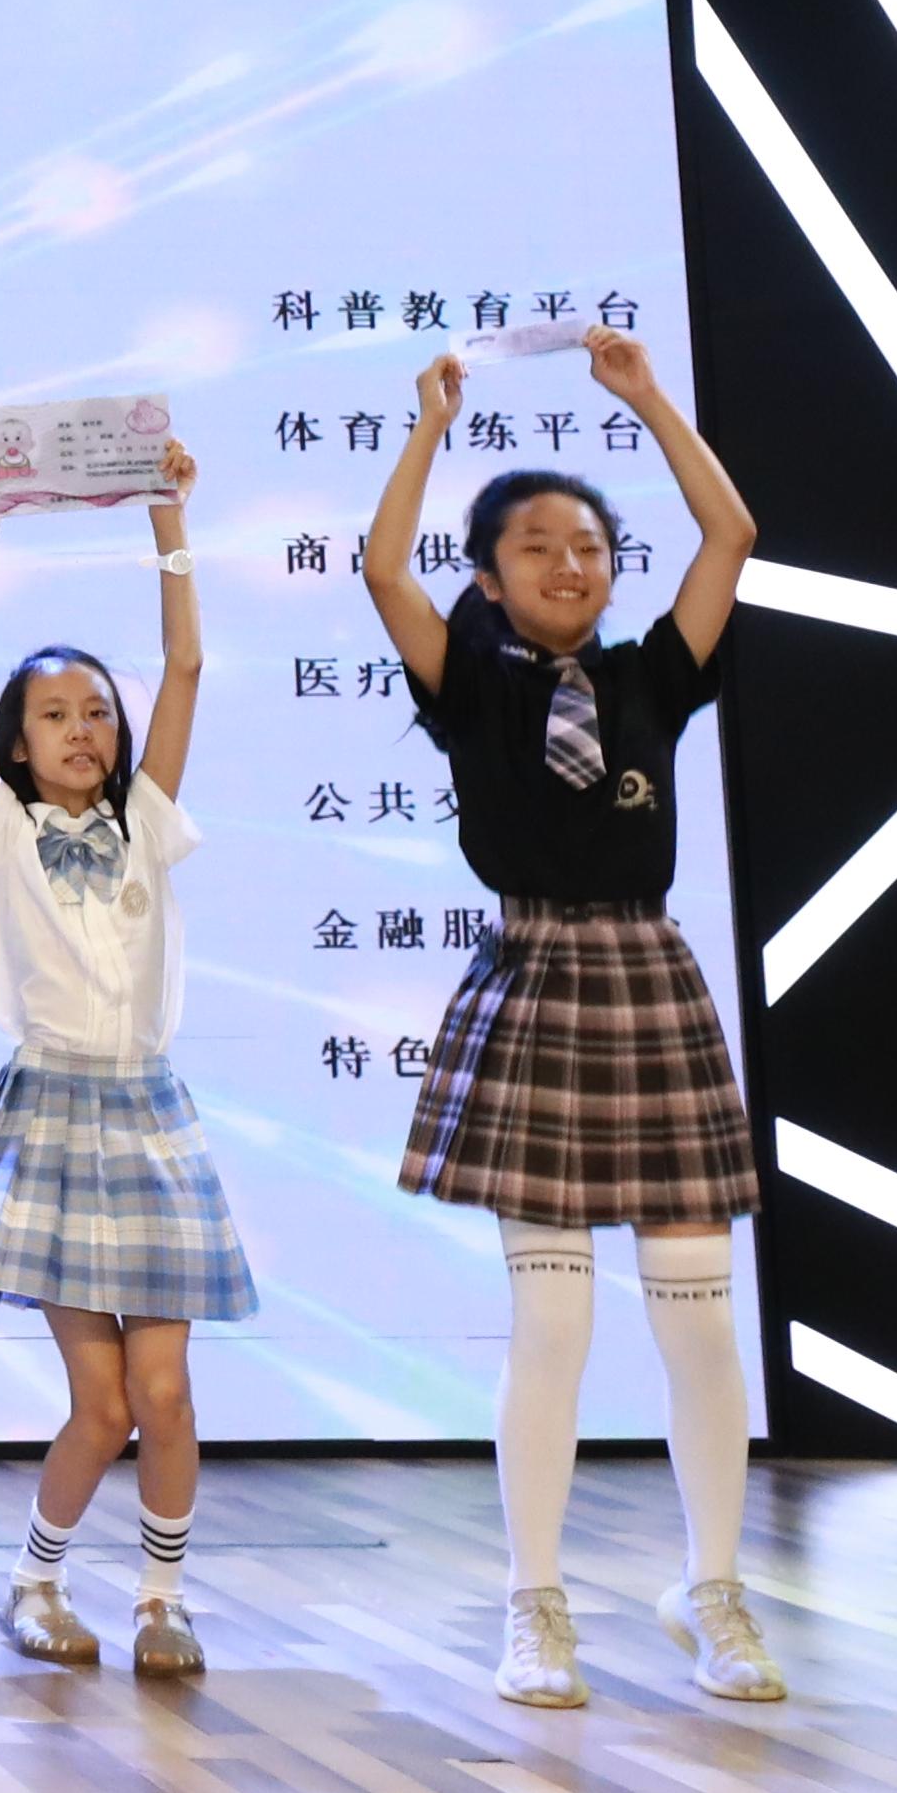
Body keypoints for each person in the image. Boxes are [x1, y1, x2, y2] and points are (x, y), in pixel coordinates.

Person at [361, 333, 776, 1713]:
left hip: (650, 982)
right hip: (535, 977)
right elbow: (383, 572)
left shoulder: (655, 674)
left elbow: (732, 531)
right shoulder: (472, 683)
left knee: (699, 1324)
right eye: (535, 547)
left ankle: (713, 1590)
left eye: (589, 545)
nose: (567, 563)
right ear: (489, 576)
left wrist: (648, 398)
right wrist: (430, 425)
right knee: (552, 1326)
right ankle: (533, 1605)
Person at [0, 428, 242, 1680]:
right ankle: (35, 1582)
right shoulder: (0, 829)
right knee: (101, 1404)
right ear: (17, 741)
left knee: (167, 1394)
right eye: (54, 715)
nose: (82, 729)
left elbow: (187, 659)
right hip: (52, 1116)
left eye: (97, 710)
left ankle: (163, 1600)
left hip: (150, 1117)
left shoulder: (146, 817)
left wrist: (169, 512)